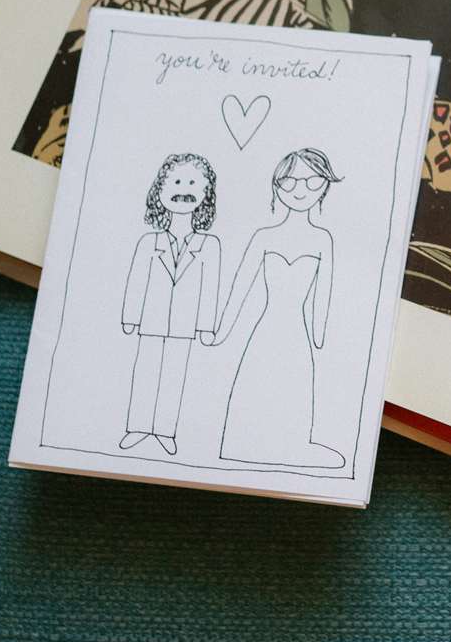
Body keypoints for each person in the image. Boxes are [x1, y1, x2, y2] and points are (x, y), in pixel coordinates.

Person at [211, 148, 344, 467]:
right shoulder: (264, 237)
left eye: (312, 181)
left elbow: (323, 294)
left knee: (294, 382)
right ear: (277, 185)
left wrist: (320, 336)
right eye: (290, 181)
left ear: (324, 186)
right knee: (258, 378)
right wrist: (220, 332)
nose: (300, 190)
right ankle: (244, 443)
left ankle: (291, 444)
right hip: (267, 327)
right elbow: (239, 289)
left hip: (297, 332)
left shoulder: (323, 239)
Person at [118, 153, 223, 454]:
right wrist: (130, 317)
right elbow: (136, 281)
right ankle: (138, 427)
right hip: (151, 319)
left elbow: (210, 288)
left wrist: (206, 326)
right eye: (176, 182)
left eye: (192, 183)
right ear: (160, 191)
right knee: (146, 372)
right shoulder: (148, 242)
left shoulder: (209, 244)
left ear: (205, 194)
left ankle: (165, 431)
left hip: (184, 324)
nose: (183, 190)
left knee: (174, 376)